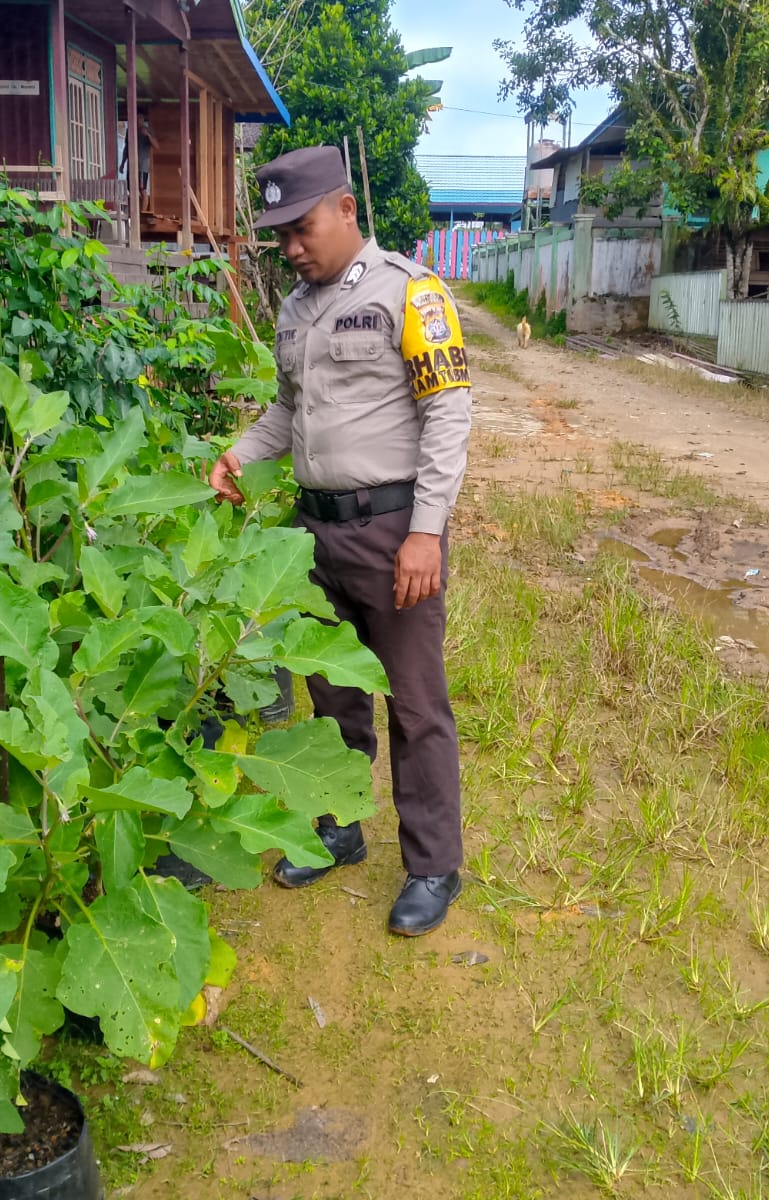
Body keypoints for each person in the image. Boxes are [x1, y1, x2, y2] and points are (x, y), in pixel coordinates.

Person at [209, 145, 472, 937]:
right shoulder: (295, 310)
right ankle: (340, 827)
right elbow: (288, 413)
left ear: (346, 209)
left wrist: (426, 532)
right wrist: (239, 454)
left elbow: (448, 416)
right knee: (331, 694)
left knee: (416, 704)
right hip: (313, 536)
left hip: (394, 534)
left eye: (303, 226)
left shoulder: (410, 293)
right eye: (280, 233)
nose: (291, 245)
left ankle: (433, 865)